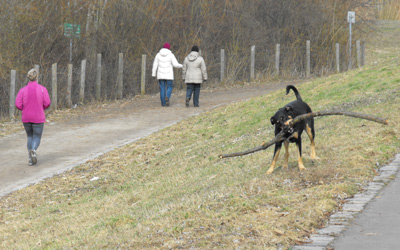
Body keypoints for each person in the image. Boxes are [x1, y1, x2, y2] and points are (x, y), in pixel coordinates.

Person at [15, 68, 51, 166]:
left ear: (28, 77)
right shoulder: (42, 89)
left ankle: (30, 159)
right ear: (37, 77)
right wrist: (41, 107)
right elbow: (47, 103)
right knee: (37, 136)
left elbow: (17, 104)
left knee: (29, 136)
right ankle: (34, 150)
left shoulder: (22, 90)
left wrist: (24, 109)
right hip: (38, 117)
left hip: (26, 117)